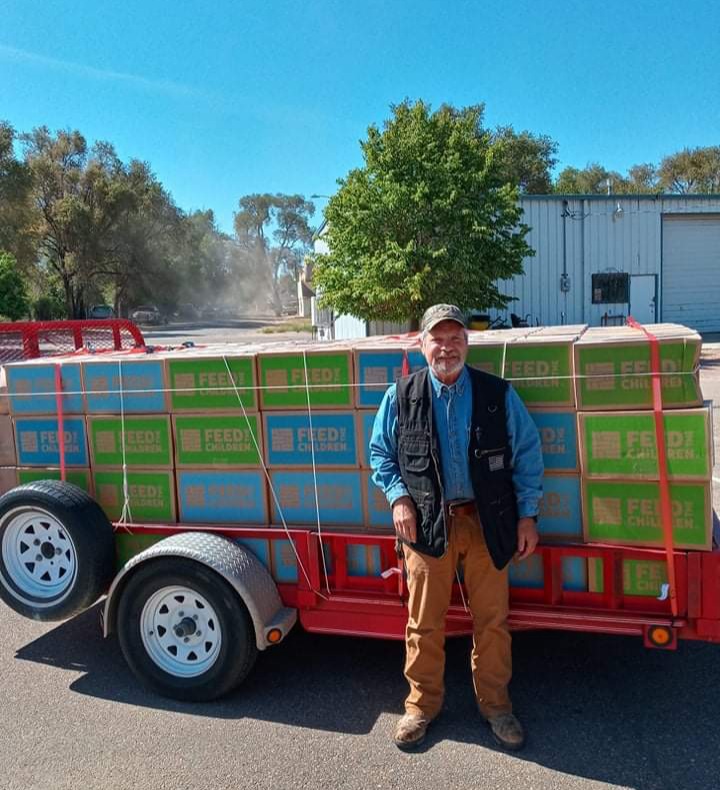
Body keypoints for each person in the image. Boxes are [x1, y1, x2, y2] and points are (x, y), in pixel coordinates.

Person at [369, 303, 544, 751]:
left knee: (493, 622)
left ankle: (497, 707)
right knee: (423, 621)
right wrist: (398, 498)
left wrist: (527, 515)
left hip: (488, 524)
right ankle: (420, 707)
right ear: (422, 344)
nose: (446, 347)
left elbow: (527, 454)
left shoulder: (496, 394)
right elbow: (380, 454)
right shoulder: (401, 395)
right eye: (438, 339)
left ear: (467, 342)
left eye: (455, 338)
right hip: (427, 524)